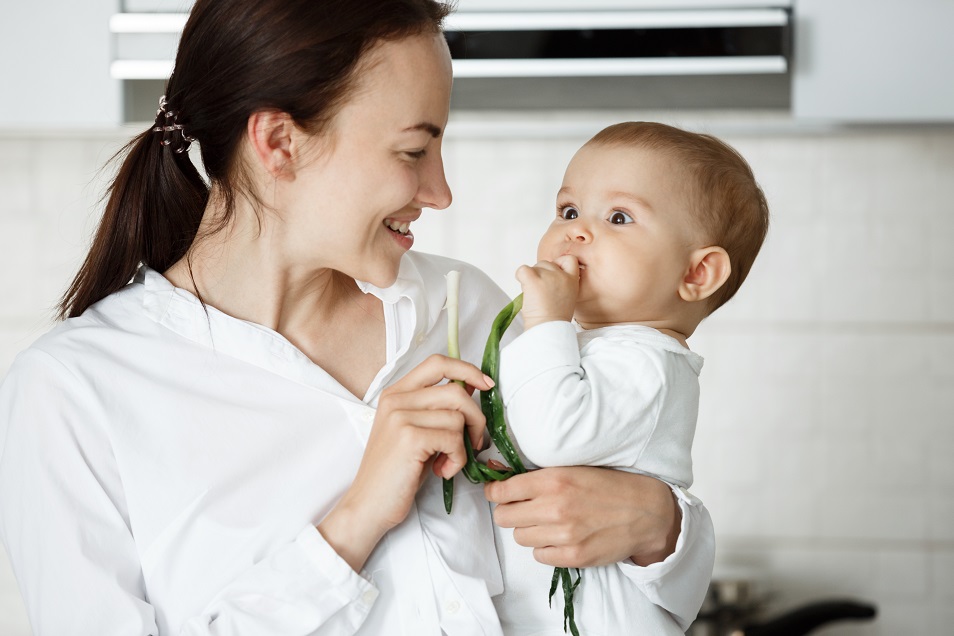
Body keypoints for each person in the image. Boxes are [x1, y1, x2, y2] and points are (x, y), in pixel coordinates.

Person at [0, 2, 715, 634]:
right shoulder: (73, 392)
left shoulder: (466, 308)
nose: (440, 191)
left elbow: (603, 579)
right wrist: (355, 520)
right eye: (414, 150)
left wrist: (661, 526)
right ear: (280, 143)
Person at [491, 122, 769, 634]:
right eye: (568, 210)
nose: (575, 231)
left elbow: (554, 437)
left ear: (695, 274)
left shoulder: (649, 363)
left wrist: (547, 323)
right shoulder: (591, 347)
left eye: (618, 217)